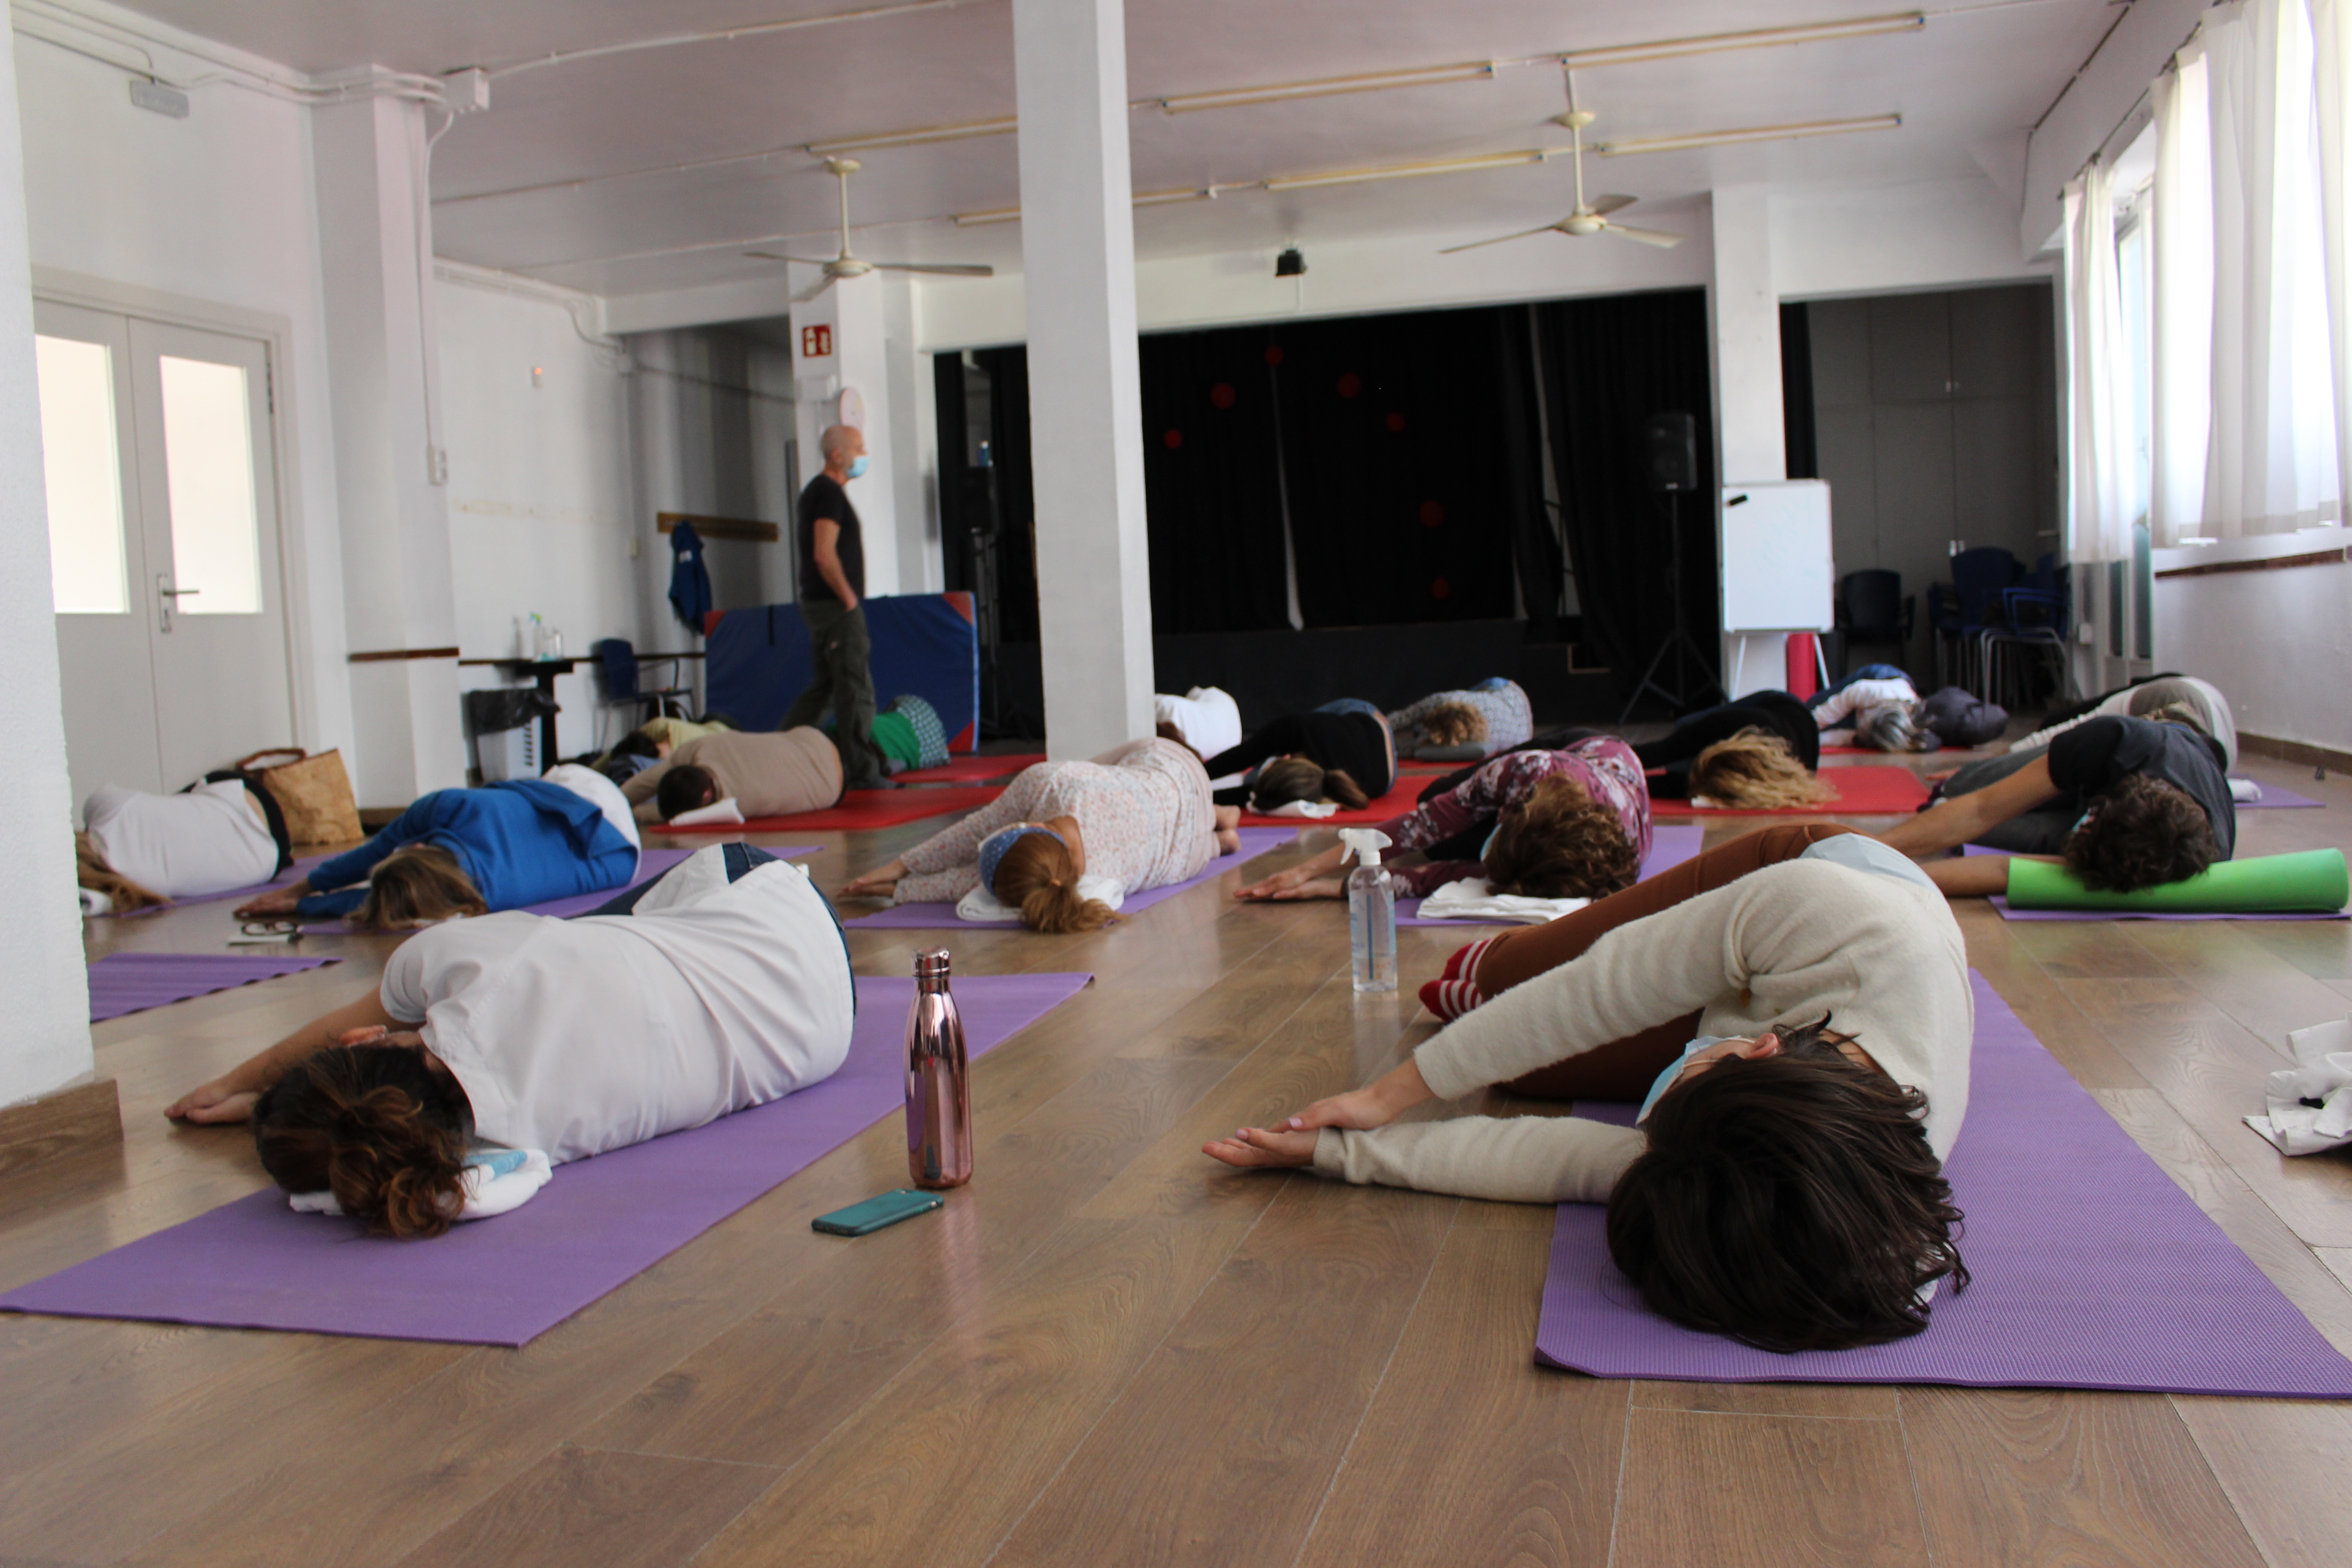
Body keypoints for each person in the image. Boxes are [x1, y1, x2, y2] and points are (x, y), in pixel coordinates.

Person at [1204, 823, 1973, 1353]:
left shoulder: (1816, 1194)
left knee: (1521, 1074)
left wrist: (1337, 1155)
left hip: (1790, 1010)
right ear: (1757, 1048)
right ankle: (1490, 965)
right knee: (1493, 984)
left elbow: (1559, 1158)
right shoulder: (1825, 911)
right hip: (1823, 879)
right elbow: (1605, 986)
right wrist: (1389, 1095)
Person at [167, 844, 856, 1238]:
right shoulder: (453, 960)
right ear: (359, 1040)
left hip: (827, 1030)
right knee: (575, 937)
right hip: (778, 909)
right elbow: (376, 1017)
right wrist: (235, 1082)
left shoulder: (513, 1149)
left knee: (580, 954)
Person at [840, 737, 1239, 932]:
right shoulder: (1053, 783)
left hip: (1188, 855)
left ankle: (1219, 835)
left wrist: (898, 884)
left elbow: (959, 879)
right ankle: (1219, 811)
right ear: (1028, 828)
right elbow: (978, 828)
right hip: (1178, 769)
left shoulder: (1083, 881)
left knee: (1192, 842)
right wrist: (898, 868)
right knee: (1102, 768)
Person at [1237, 733, 1649, 902]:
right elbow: (1422, 822)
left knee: (1445, 850)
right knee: (1434, 797)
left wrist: (1339, 889)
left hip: (1607, 799)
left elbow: (1449, 876)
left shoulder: (1597, 870)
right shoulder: (1530, 770)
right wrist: (1306, 870)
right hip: (1592, 750)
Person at [235, 764, 640, 931]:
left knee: (538, 794)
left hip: (599, 824)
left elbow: (369, 882)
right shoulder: (453, 811)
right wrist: (298, 893)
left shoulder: (485, 893)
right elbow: (375, 859)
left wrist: (302, 900)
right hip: (597, 818)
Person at [1882, 713, 2233, 897]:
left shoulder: (2198, 852)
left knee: (1946, 820)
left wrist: (1883, 876)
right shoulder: (2117, 741)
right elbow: (1982, 807)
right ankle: (1952, 789)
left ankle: (1940, 810)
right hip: (2106, 763)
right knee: (1962, 787)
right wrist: (1867, 850)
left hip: (2119, 823)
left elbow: (2005, 871)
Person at [782, 424, 891, 792]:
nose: (864, 455)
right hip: (833, 605)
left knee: (826, 687)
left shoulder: (820, 493)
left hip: (821, 604)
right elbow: (824, 554)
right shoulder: (826, 493)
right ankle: (862, 770)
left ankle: (781, 751)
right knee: (854, 686)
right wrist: (848, 599)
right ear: (838, 455)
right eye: (858, 448)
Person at [76, 775, 291, 912]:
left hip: (270, 863)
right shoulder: (108, 809)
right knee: (175, 811)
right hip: (248, 803)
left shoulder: (126, 894)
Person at [1624, 692, 1830, 806]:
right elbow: (1666, 749)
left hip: (1797, 733)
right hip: (1780, 706)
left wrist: (1623, 785)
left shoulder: (1769, 785)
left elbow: (1679, 785)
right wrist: (1608, 759)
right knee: (1684, 726)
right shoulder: (1745, 723)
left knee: (1684, 776)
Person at [1198, 699, 1396, 813]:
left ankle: (1263, 767)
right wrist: (1196, 776)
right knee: (1256, 770)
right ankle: (1264, 766)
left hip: (1386, 775)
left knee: (1254, 776)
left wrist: (1195, 790)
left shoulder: (1313, 782)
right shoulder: (1300, 730)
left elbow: (1250, 777)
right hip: (1374, 729)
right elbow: (1245, 757)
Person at [2008, 673, 2237, 771]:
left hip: (2193, 691)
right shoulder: (2128, 708)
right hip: (2174, 692)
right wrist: (2013, 753)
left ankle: (2012, 754)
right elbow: (2060, 735)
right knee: (2059, 729)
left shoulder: (2213, 763)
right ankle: (2011, 754)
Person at [621, 726, 843, 822]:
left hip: (834, 788)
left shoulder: (729, 804)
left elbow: (674, 818)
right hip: (815, 740)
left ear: (707, 797)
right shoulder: (703, 748)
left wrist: (628, 812)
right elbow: (652, 777)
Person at [1388, 678, 1534, 759]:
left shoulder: (1477, 741)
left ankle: (1420, 728)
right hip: (1509, 698)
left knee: (1421, 732)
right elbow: (1403, 718)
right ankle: (1420, 728)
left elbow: (1415, 748)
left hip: (1513, 702)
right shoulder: (1445, 701)